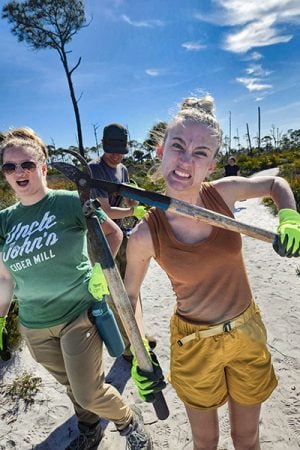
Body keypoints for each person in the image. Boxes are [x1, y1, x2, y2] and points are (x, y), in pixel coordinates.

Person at [124, 96, 300, 450]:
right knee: (205, 441)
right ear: (161, 151)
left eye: (200, 152)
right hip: (193, 347)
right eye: (178, 146)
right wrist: (138, 345)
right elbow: (129, 296)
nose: (186, 161)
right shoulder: (146, 233)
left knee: (246, 438)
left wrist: (289, 216)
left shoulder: (224, 193)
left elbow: (274, 184)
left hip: (246, 333)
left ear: (212, 164)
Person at [0, 128, 153, 450]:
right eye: (9, 167)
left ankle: (129, 422)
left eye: (26, 164)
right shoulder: (4, 221)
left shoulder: (70, 202)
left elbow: (113, 234)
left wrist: (100, 270)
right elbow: (3, 278)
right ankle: (89, 428)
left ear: (43, 167)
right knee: (70, 384)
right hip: (34, 325)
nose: (18, 172)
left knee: (88, 390)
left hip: (77, 315)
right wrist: (0, 321)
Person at [89, 123, 156, 360]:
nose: (116, 155)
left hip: (124, 235)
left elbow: (126, 202)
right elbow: (105, 211)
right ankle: (129, 346)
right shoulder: (95, 170)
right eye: (111, 150)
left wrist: (133, 202)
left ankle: (138, 335)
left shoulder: (123, 169)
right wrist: (131, 213)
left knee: (132, 289)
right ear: (102, 145)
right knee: (115, 293)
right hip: (104, 238)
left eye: (120, 150)